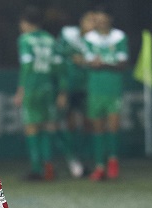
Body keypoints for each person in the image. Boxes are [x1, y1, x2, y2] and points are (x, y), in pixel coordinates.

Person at [14, 6, 62, 181]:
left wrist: (21, 90)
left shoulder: (25, 40)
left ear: (25, 23)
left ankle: (36, 168)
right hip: (49, 88)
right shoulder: (50, 39)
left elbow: (27, 67)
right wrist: (61, 91)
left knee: (32, 127)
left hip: (33, 88)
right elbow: (58, 67)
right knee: (48, 127)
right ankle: (49, 166)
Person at [83, 7, 128, 181]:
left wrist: (103, 64)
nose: (100, 22)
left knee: (113, 125)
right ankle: (100, 166)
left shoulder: (119, 37)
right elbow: (88, 62)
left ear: (110, 19)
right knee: (97, 128)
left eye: (103, 19)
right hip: (95, 88)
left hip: (113, 87)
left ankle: (113, 160)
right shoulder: (89, 38)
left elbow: (123, 64)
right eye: (98, 19)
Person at [55, 11, 96, 178]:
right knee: (69, 123)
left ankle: (86, 160)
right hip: (68, 87)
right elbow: (58, 57)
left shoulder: (94, 41)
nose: (93, 24)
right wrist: (62, 89)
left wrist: (85, 61)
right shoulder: (67, 34)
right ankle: (73, 160)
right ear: (82, 21)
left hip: (86, 87)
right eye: (90, 20)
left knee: (89, 123)